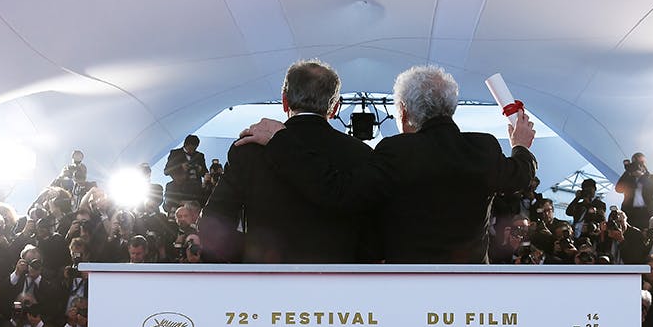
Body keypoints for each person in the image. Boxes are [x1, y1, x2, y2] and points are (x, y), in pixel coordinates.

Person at [237, 64, 536, 263]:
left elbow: (336, 192)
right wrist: (520, 144)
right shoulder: (483, 148)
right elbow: (521, 175)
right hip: (469, 285)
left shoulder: (396, 151)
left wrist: (281, 141)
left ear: (403, 112)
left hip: (406, 283)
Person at [201, 59, 378, 263]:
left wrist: (248, 258)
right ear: (335, 107)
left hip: (264, 281)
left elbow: (213, 223)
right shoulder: (361, 154)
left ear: (284, 101)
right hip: (337, 284)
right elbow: (371, 233)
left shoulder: (248, 149)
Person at [615, 152, 653, 231]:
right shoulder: (629, 178)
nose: (637, 165)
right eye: (635, 163)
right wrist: (628, 171)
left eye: (640, 163)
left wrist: (642, 176)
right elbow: (618, 189)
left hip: (647, 214)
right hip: (631, 214)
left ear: (644, 164)